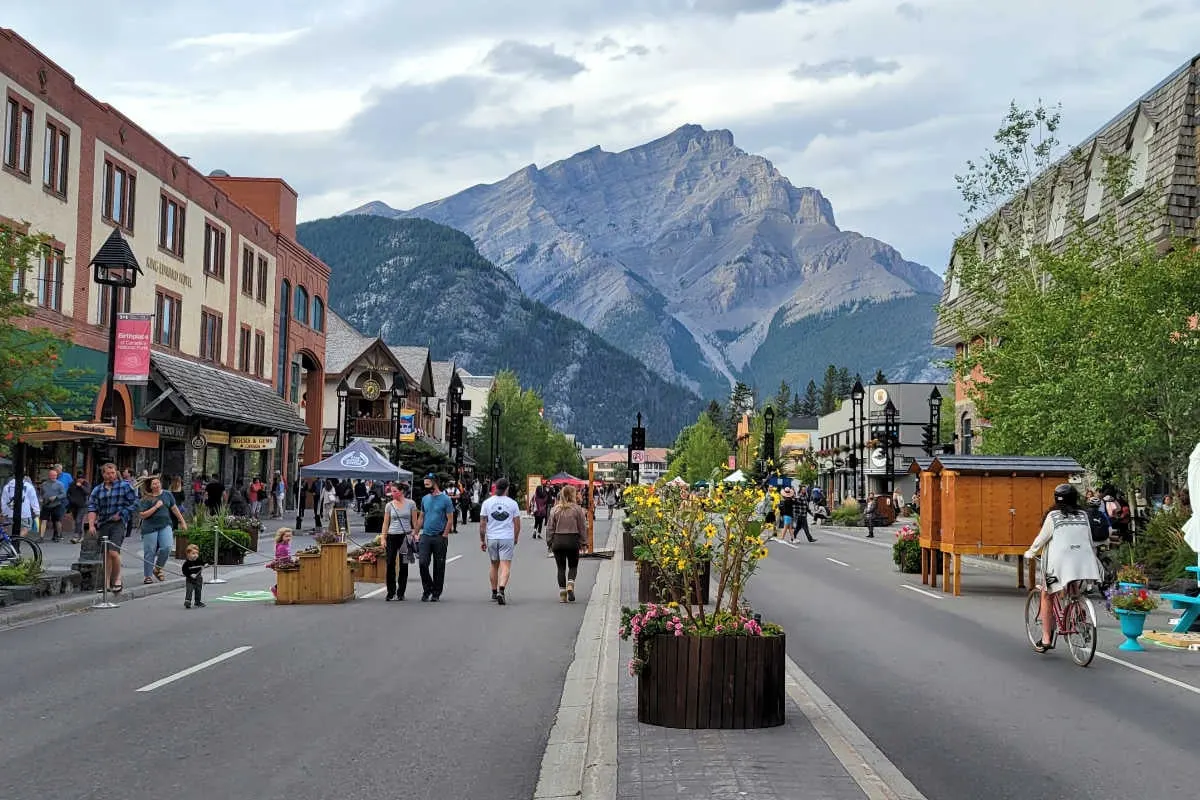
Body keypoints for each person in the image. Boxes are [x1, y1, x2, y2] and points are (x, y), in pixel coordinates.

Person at [1024, 483, 1102, 653]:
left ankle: (1045, 639)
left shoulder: (1053, 516)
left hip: (1059, 563)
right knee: (1074, 588)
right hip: (1084, 560)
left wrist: (1030, 552)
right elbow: (1089, 538)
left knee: (1046, 595)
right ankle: (1079, 616)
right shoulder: (1083, 515)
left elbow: (1041, 539)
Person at [86, 462, 139, 594]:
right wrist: (91, 525)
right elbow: (92, 507)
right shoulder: (98, 489)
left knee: (114, 552)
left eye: (113, 473)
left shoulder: (124, 486)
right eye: (107, 473)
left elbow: (135, 502)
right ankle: (106, 584)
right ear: (103, 474)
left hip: (119, 523)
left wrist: (122, 514)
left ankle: (118, 580)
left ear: (116, 473)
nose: (110, 475)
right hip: (103, 523)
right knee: (106, 555)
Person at [137, 476, 187, 584]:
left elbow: (174, 508)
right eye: (154, 484)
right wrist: (156, 507)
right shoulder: (146, 498)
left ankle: (158, 568)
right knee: (150, 551)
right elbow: (142, 515)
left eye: (158, 483)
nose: (156, 485)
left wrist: (182, 521)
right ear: (150, 486)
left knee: (167, 547)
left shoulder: (167, 494)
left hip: (165, 525)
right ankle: (148, 576)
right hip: (150, 527)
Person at [480, 477, 521, 605]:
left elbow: (482, 524)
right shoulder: (512, 503)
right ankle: (501, 589)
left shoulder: (487, 503)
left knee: (494, 565)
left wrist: (482, 540)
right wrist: (515, 537)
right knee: (505, 565)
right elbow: (517, 524)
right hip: (507, 537)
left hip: (492, 537)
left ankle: (493, 591)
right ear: (507, 488)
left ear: (496, 487)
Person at [416, 474, 455, 602]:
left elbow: (450, 520)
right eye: (425, 484)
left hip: (439, 537)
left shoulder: (446, 500)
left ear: (435, 483)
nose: (425, 487)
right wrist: (415, 532)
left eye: (428, 484)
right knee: (423, 563)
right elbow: (421, 517)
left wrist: (444, 535)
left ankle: (436, 593)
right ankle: (427, 589)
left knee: (439, 566)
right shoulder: (425, 499)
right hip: (425, 536)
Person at [547, 484, 587, 603]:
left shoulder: (555, 509)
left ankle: (563, 594)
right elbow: (582, 527)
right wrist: (584, 542)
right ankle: (571, 583)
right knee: (573, 566)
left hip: (558, 540)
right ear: (572, 495)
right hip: (572, 539)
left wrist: (549, 542)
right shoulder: (577, 509)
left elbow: (550, 528)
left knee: (560, 568)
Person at [382, 484, 418, 601]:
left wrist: (415, 534)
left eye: (395, 491)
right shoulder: (389, 505)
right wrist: (383, 537)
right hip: (392, 536)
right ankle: (390, 591)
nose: (392, 494)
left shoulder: (411, 503)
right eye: (391, 491)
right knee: (390, 563)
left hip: (405, 536)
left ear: (401, 491)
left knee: (404, 564)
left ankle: (401, 592)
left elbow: (415, 522)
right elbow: (386, 523)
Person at [1, 474, 40, 538]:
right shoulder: (29, 486)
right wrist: (37, 511)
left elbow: (4, 501)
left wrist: (4, 512)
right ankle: (16, 541)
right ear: (24, 478)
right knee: (26, 527)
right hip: (24, 513)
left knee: (10, 530)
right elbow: (33, 500)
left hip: (10, 513)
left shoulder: (7, 487)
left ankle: (12, 543)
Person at [40, 468, 67, 542]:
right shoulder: (44, 484)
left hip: (56, 505)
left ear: (57, 476)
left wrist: (56, 497)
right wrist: (41, 499)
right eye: (52, 475)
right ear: (49, 475)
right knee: (44, 520)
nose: (53, 477)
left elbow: (64, 494)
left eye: (55, 475)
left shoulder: (60, 484)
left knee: (57, 521)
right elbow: (41, 493)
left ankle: (58, 535)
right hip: (46, 505)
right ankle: (41, 537)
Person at [269, 528, 293, 596]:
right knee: (284, 578)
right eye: (286, 536)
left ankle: (279, 589)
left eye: (290, 536)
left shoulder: (286, 544)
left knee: (286, 578)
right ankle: (275, 588)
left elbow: (287, 554)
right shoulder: (281, 546)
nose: (288, 538)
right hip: (282, 564)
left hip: (286, 563)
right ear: (281, 537)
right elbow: (280, 557)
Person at [181, 543, 206, 609]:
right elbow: (184, 571)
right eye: (193, 553)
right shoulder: (186, 563)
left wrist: (205, 564)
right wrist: (189, 574)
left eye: (197, 553)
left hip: (198, 578)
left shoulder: (198, 560)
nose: (196, 555)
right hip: (190, 579)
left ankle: (197, 602)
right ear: (188, 554)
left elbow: (203, 563)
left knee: (198, 590)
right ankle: (188, 601)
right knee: (189, 590)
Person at [67, 476, 89, 543]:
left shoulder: (86, 484)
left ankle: (76, 537)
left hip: (82, 506)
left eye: (82, 479)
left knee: (78, 520)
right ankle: (81, 536)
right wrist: (70, 500)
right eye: (79, 479)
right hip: (74, 506)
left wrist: (81, 486)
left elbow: (88, 492)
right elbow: (68, 493)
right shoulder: (72, 484)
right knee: (77, 522)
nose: (80, 480)